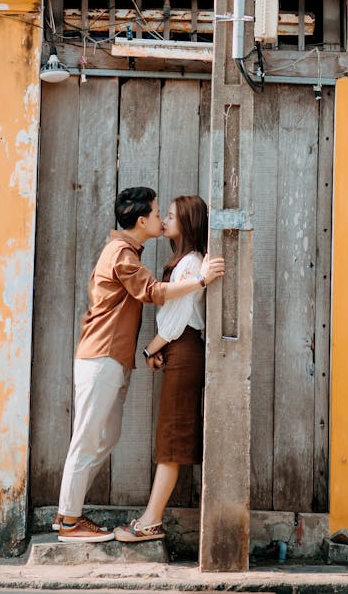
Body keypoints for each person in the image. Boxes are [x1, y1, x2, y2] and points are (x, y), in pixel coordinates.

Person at [53, 186, 225, 542]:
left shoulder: (130, 252)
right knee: (88, 437)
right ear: (143, 219)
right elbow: (154, 292)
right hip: (101, 356)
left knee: (106, 435)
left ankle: (70, 515)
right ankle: (69, 519)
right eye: (159, 213)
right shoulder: (122, 254)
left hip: (111, 358)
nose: (162, 220)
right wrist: (202, 280)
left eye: (169, 215)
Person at [115, 194, 213, 543]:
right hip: (179, 349)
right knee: (170, 436)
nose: (165, 220)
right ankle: (150, 519)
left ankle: (150, 522)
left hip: (183, 349)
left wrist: (150, 348)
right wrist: (160, 349)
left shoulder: (191, 262)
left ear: (186, 223)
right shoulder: (185, 260)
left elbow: (176, 319)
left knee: (172, 439)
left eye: (170, 216)